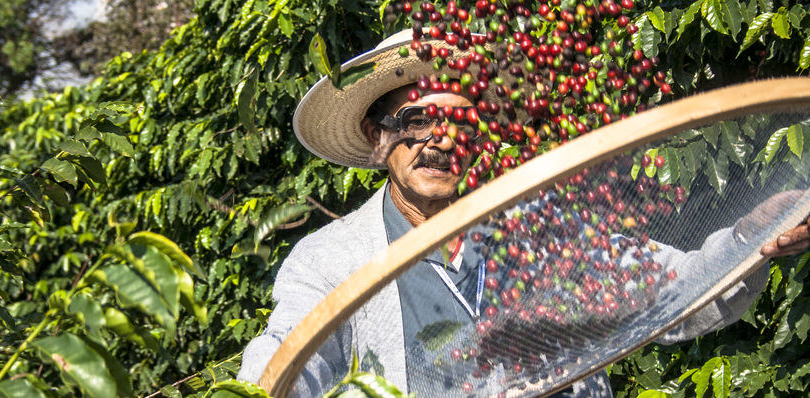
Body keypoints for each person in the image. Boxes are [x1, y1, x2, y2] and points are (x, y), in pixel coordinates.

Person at [237, 30, 810, 397]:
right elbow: (291, 350)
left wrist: (747, 238)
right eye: (415, 121)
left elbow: (670, 295)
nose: (438, 142)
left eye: (459, 122)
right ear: (377, 136)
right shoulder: (332, 258)